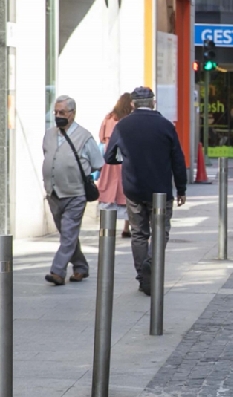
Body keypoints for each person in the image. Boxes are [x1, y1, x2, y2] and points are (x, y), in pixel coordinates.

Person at [104, 86, 187, 294]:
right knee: (161, 231)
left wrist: (127, 158)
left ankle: (143, 277)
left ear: (133, 104)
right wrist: (182, 188)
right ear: (153, 103)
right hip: (160, 190)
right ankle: (151, 262)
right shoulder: (166, 125)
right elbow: (178, 159)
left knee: (138, 233)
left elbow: (109, 156)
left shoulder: (123, 126)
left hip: (134, 188)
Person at [42, 95, 105, 286]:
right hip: (54, 193)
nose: (58, 116)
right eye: (56, 112)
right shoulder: (49, 134)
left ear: (73, 113)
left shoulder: (85, 137)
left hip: (76, 193)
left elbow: (97, 163)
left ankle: (57, 271)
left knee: (68, 233)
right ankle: (80, 267)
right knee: (67, 235)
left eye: (62, 112)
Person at [98, 92, 133, 238]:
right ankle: (126, 227)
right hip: (124, 160)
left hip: (109, 162)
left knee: (108, 193)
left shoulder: (108, 118)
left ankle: (106, 227)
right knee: (126, 194)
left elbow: (101, 138)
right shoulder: (129, 120)